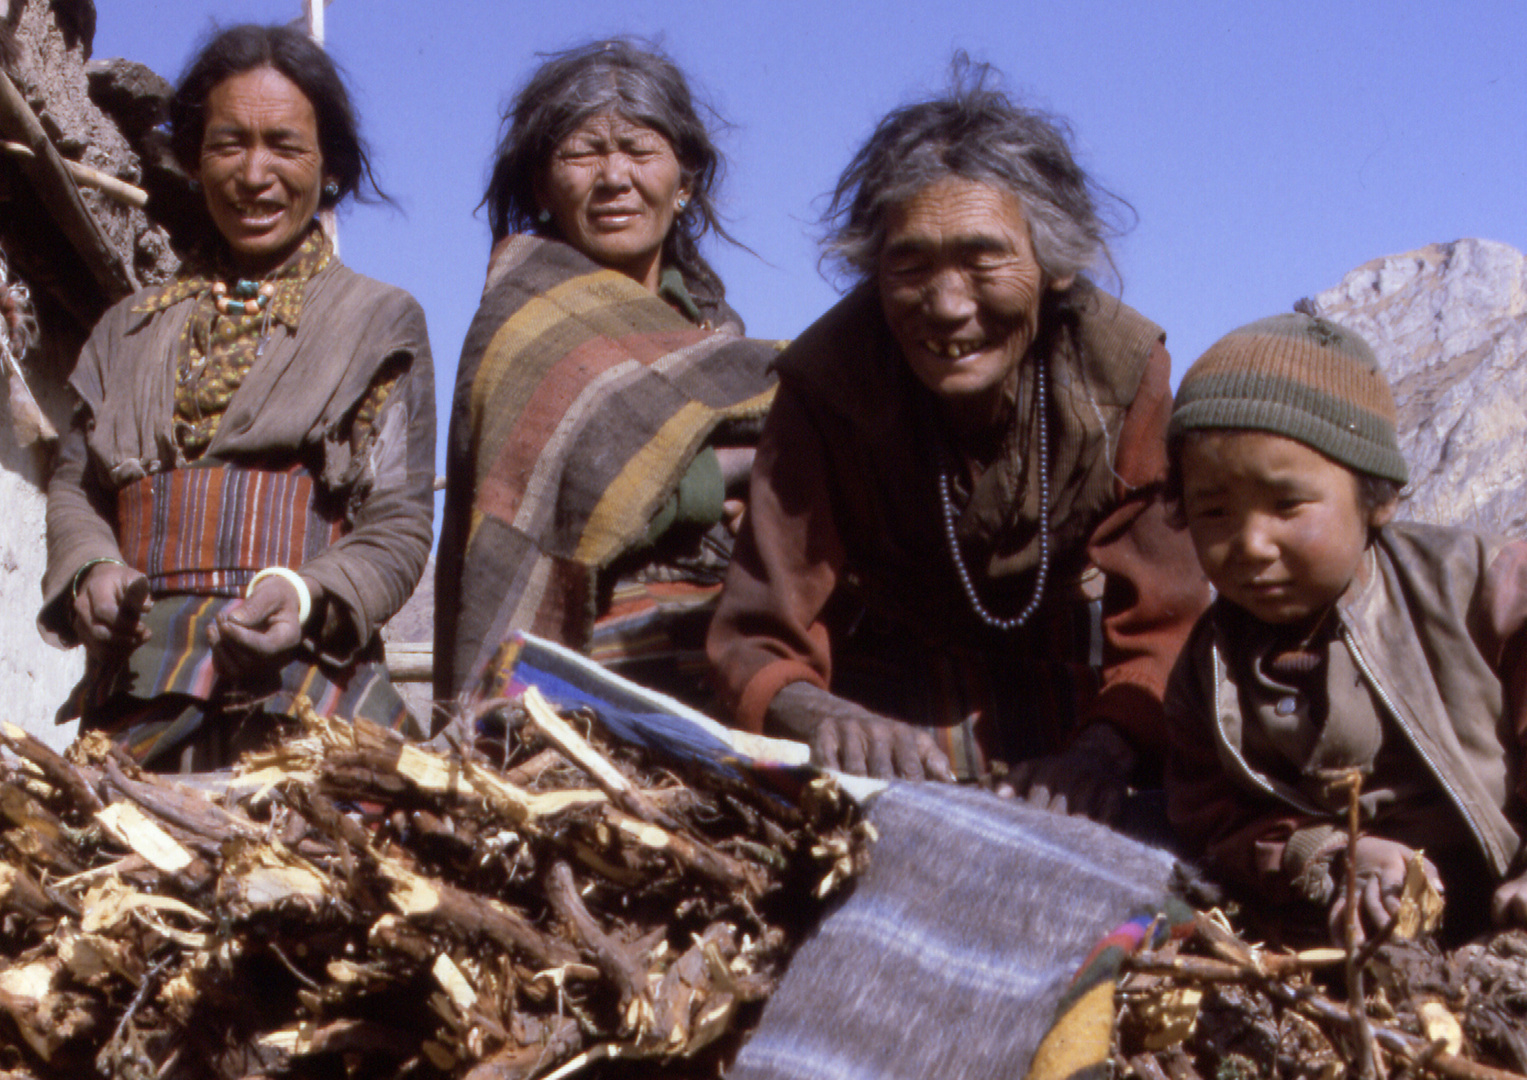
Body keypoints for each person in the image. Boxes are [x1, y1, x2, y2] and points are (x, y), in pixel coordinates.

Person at [705, 68, 1208, 821]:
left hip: (1061, 673)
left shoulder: (1120, 371)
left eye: (983, 260)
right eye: (908, 266)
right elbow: (757, 629)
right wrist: (823, 716)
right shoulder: (828, 383)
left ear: (1054, 266)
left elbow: (1170, 619)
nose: (945, 306)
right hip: (882, 672)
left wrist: (1100, 753)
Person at [40, 24, 435, 770]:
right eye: (228, 144)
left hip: (306, 691)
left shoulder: (379, 321)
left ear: (332, 167)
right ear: (191, 160)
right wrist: (92, 568)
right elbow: (75, 489)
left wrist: (303, 593)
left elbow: (399, 523)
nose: (255, 174)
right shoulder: (125, 330)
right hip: (138, 692)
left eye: (284, 146)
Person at [435, 39, 779, 707]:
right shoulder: (524, 320)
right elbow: (565, 496)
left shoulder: (715, 327)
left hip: (725, 639)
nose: (613, 176)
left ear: (684, 183)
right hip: (587, 657)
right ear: (541, 185)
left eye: (639, 150)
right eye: (582, 153)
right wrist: (728, 471)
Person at [1163, 313, 1527, 942]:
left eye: (1287, 505)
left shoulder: (1476, 585)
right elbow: (1211, 817)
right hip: (1355, 925)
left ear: (1377, 499)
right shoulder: (1209, 668)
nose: (1250, 544)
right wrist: (1328, 854)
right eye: (1214, 510)